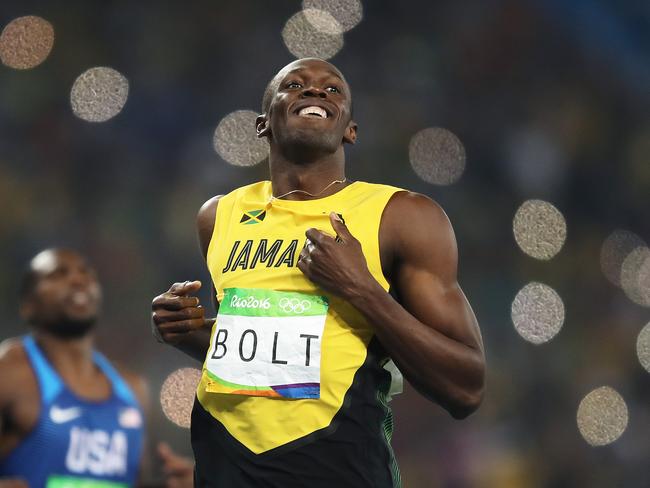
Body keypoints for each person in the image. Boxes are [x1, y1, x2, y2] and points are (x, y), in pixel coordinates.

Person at [151, 57, 486, 487]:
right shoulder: (218, 216)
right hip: (226, 468)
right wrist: (187, 330)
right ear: (262, 125)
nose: (315, 91)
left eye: (333, 90)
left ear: (350, 130)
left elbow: (466, 387)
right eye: (294, 85)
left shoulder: (402, 217)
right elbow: (265, 358)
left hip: (340, 469)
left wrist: (362, 289)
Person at [0, 248, 194, 487]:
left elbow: (136, 482)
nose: (78, 280)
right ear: (28, 305)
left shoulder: (132, 389)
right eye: (58, 274)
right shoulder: (9, 374)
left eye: (86, 273)